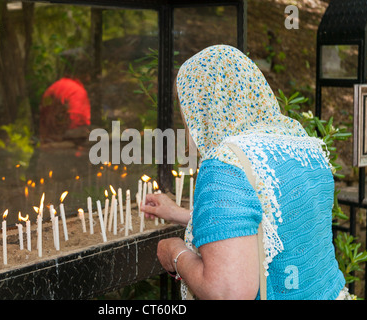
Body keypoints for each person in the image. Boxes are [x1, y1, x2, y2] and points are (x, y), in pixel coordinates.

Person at [141, 45, 348, 300]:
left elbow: (229, 292)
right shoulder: (302, 144)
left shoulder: (226, 165)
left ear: (200, 106)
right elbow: (267, 222)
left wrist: (176, 251)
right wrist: (178, 213)